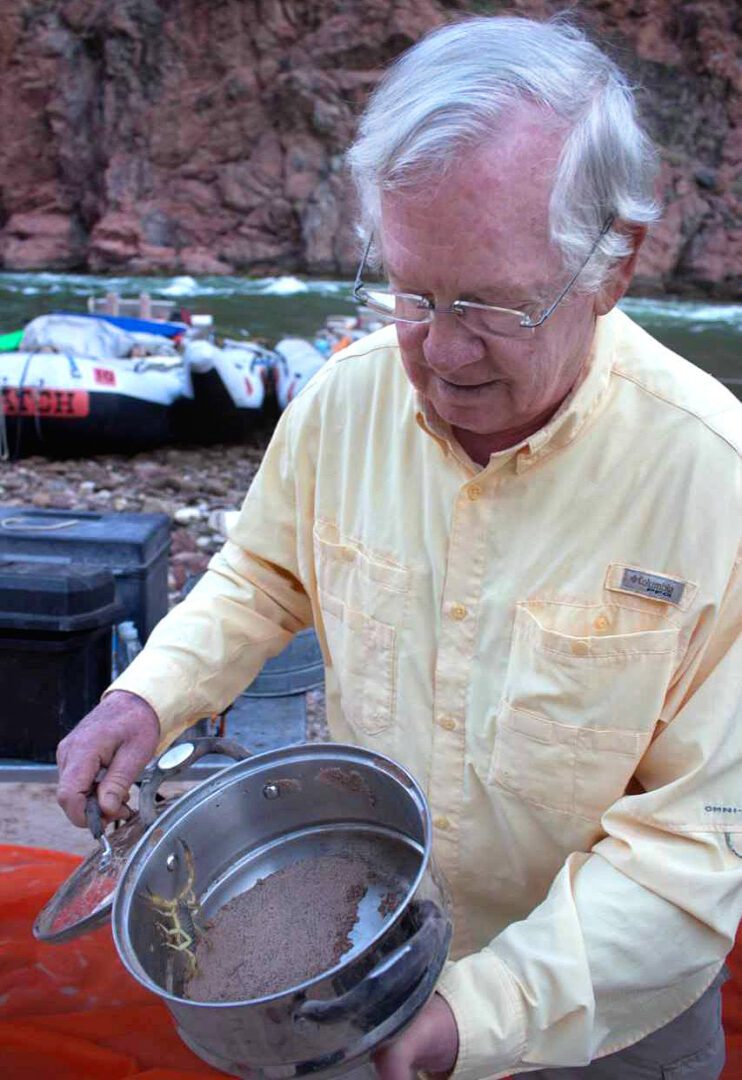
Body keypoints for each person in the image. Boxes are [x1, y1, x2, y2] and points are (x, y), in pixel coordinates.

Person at [56, 15, 742, 1080]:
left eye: (492, 306)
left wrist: (471, 1021)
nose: (441, 352)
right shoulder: (343, 400)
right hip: (363, 953)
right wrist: (150, 695)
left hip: (609, 1029)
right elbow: (263, 571)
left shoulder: (716, 480)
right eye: (413, 294)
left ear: (616, 263)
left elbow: (691, 855)